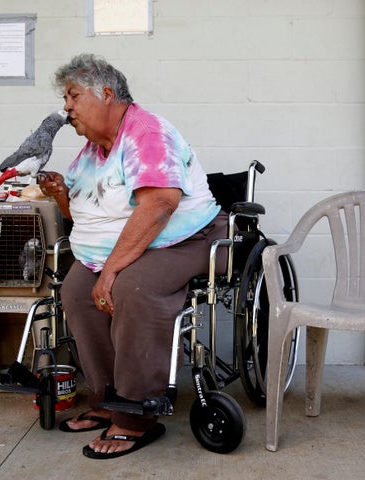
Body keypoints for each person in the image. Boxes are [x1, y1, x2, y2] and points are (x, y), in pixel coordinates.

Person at [38, 53, 228, 459]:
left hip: (189, 240)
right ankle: (108, 401)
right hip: (127, 246)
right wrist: (61, 195)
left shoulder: (145, 132)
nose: (66, 108)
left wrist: (110, 271)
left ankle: (138, 414)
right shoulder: (92, 149)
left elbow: (159, 204)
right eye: (66, 99)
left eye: (73, 96)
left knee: (134, 287)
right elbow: (84, 213)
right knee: (75, 290)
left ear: (106, 94)